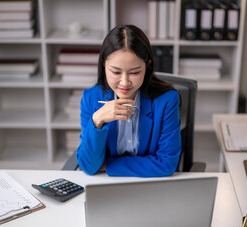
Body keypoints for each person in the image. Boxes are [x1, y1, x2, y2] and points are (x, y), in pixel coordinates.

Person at [76, 25, 181, 177]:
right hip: (107, 186)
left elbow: (166, 164)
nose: (125, 82)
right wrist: (97, 121)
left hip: (152, 184)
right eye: (116, 72)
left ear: (147, 66)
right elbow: (89, 167)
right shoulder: (90, 99)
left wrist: (108, 165)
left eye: (134, 72)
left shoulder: (167, 101)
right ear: (104, 64)